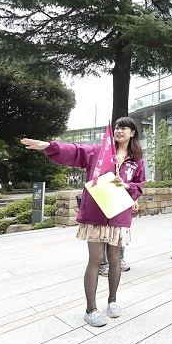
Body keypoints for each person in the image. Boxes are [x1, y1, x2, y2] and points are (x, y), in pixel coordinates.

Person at [21, 116, 145, 328]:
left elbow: (139, 186)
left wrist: (126, 186)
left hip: (118, 214)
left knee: (115, 258)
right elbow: (75, 150)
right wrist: (49, 146)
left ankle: (112, 301)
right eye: (117, 126)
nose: (119, 130)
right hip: (96, 213)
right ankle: (91, 309)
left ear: (133, 133)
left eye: (124, 127)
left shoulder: (137, 160)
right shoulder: (99, 151)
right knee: (96, 259)